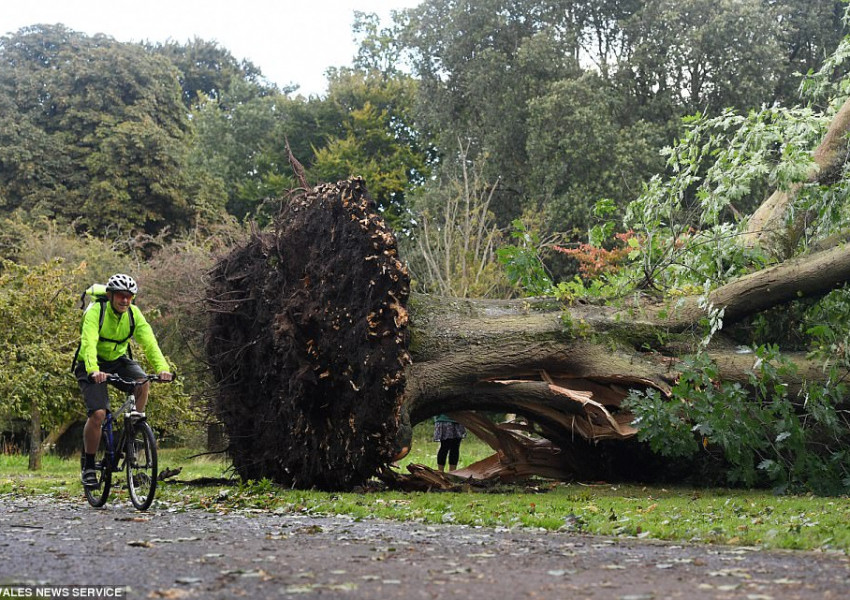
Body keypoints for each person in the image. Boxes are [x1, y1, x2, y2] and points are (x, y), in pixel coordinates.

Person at [73, 273, 172, 488]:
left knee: (143, 381)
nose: (125, 300)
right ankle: (89, 465)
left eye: (129, 296)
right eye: (120, 296)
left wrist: (163, 368)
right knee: (99, 414)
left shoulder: (134, 315)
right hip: (90, 364)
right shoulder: (96, 312)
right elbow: (88, 343)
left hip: (117, 360)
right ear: (110, 295)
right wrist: (93, 370)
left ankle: (132, 433)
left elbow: (150, 343)